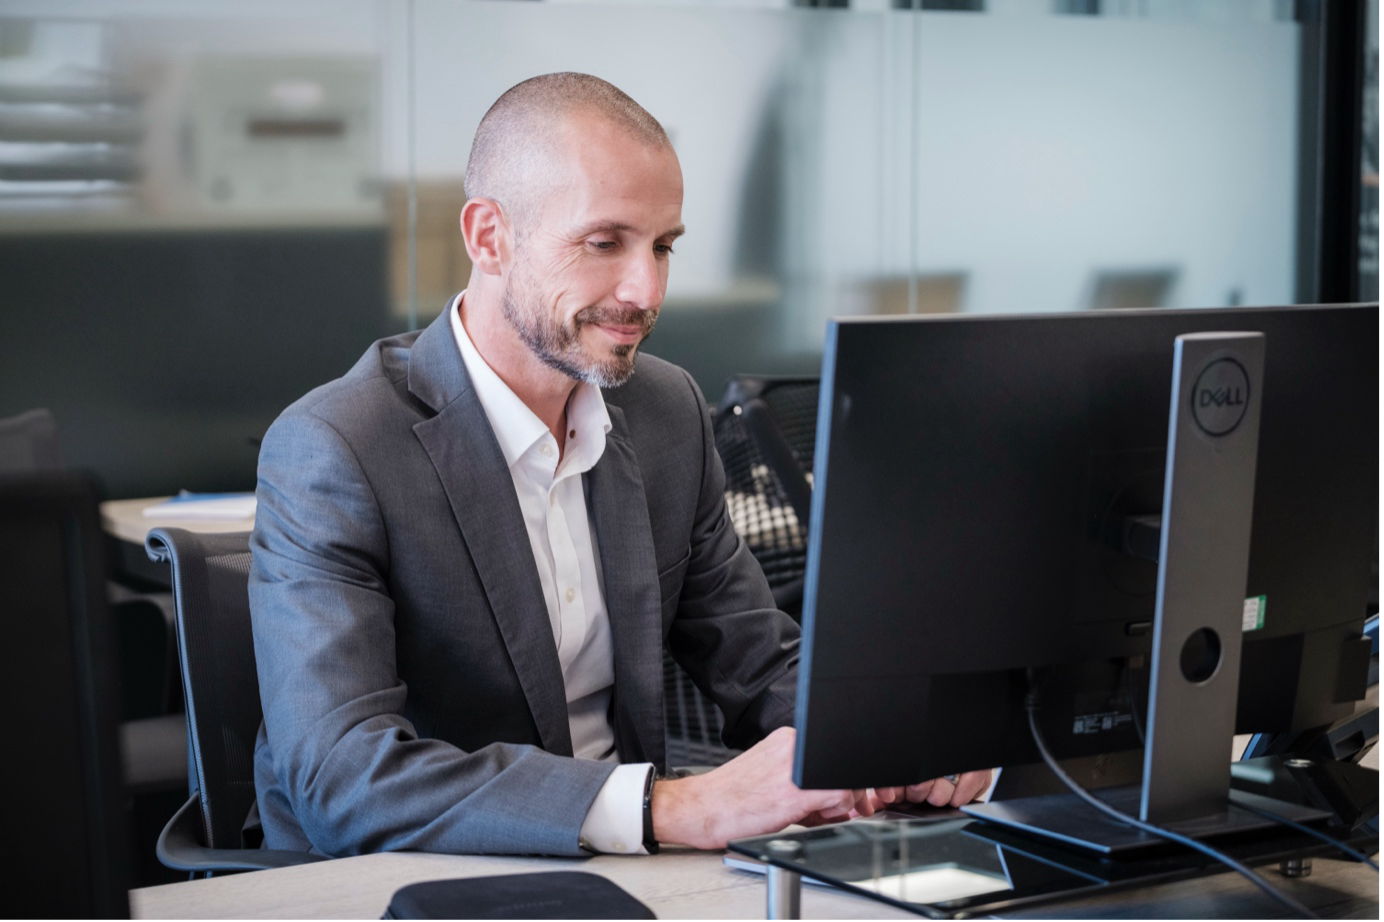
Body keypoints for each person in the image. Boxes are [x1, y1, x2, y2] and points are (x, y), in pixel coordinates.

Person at [248, 72, 989, 859]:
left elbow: (757, 659)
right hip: (416, 879)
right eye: (604, 243)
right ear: (489, 236)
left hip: (635, 873)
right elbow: (345, 779)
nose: (646, 289)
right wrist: (672, 809)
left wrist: (902, 736)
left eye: (663, 246)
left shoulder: (666, 410)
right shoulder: (336, 447)